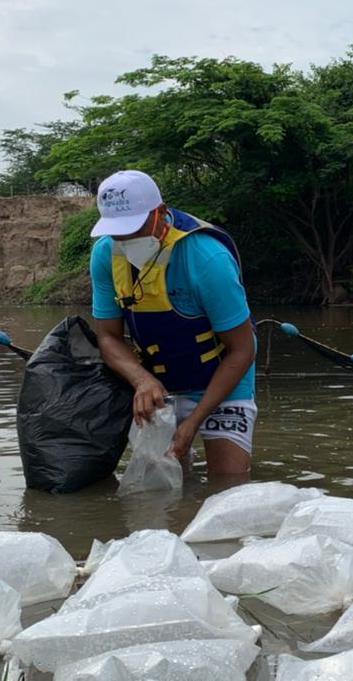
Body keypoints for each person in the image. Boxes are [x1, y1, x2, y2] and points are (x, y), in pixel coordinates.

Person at [88, 170, 257, 476]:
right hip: (158, 387)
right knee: (157, 492)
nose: (126, 239)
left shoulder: (206, 258)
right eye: (117, 231)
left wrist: (193, 423)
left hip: (222, 381)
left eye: (134, 228)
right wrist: (141, 380)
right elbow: (109, 338)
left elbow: (243, 349)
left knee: (227, 485)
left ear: (160, 213)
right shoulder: (104, 255)